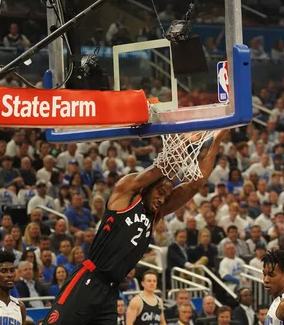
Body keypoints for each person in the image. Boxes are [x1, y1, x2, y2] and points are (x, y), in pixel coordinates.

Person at [44, 129, 229, 325]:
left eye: (166, 196)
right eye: (160, 191)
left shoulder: (155, 215)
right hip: (88, 280)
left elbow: (195, 184)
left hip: (110, 292)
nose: (162, 198)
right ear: (147, 187)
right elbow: (159, 168)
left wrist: (216, 140)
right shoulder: (125, 195)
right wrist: (182, 141)